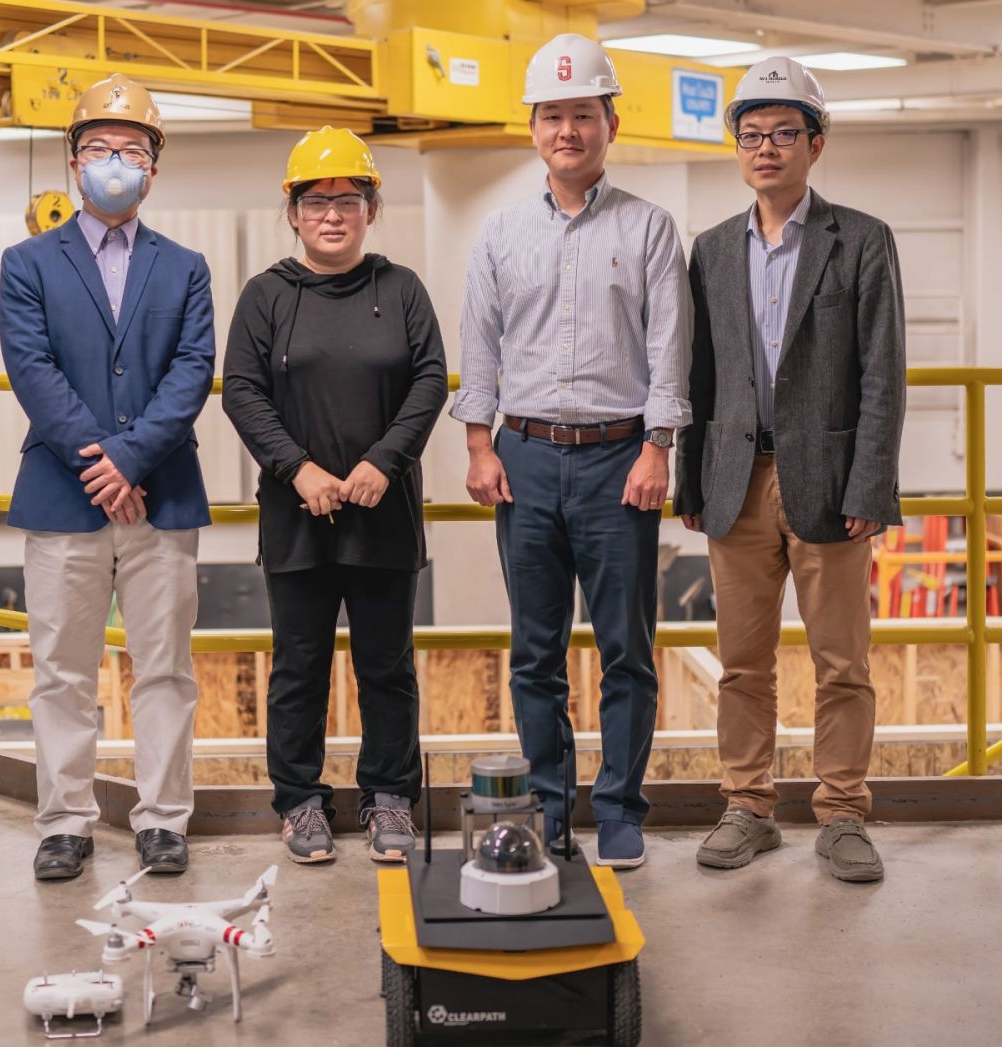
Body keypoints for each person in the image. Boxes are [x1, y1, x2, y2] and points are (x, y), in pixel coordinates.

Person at [451, 33, 691, 870]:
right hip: (522, 458)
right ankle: (549, 813)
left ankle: (621, 809)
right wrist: (480, 446)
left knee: (627, 648)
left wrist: (659, 447)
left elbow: (670, 350)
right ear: (533, 129)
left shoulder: (652, 229)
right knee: (535, 651)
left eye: (582, 114)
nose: (567, 130)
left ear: (609, 122)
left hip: (620, 460)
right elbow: (478, 348)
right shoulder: (500, 233)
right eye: (552, 115)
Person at [675, 57, 906, 883]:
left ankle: (843, 812)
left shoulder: (862, 241)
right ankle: (747, 805)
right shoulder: (709, 251)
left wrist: (871, 485)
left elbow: (883, 373)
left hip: (830, 484)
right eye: (750, 134)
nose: (764, 148)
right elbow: (696, 374)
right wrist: (689, 482)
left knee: (843, 663)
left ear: (816, 143)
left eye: (781, 133)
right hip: (734, 484)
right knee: (743, 662)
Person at [0, 74, 214, 881]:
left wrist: (131, 459)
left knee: (163, 667)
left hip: (162, 495)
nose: (114, 161)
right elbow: (32, 366)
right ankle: (65, 821)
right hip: (65, 496)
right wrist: (103, 463)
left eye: (130, 149)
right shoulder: (27, 264)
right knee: (60, 672)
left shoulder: (185, 267)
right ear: (71, 161)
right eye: (98, 148)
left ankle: (163, 819)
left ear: (154, 167)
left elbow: (192, 370)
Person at [223, 128, 448, 865]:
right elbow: (245, 394)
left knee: (387, 665)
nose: (332, 213)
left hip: (384, 515)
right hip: (298, 519)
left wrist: (386, 460)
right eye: (316, 200)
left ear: (371, 208)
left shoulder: (401, 288)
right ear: (292, 211)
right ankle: (300, 801)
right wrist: (299, 469)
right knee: (299, 665)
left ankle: (389, 797)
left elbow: (428, 380)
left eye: (347, 200)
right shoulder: (266, 296)